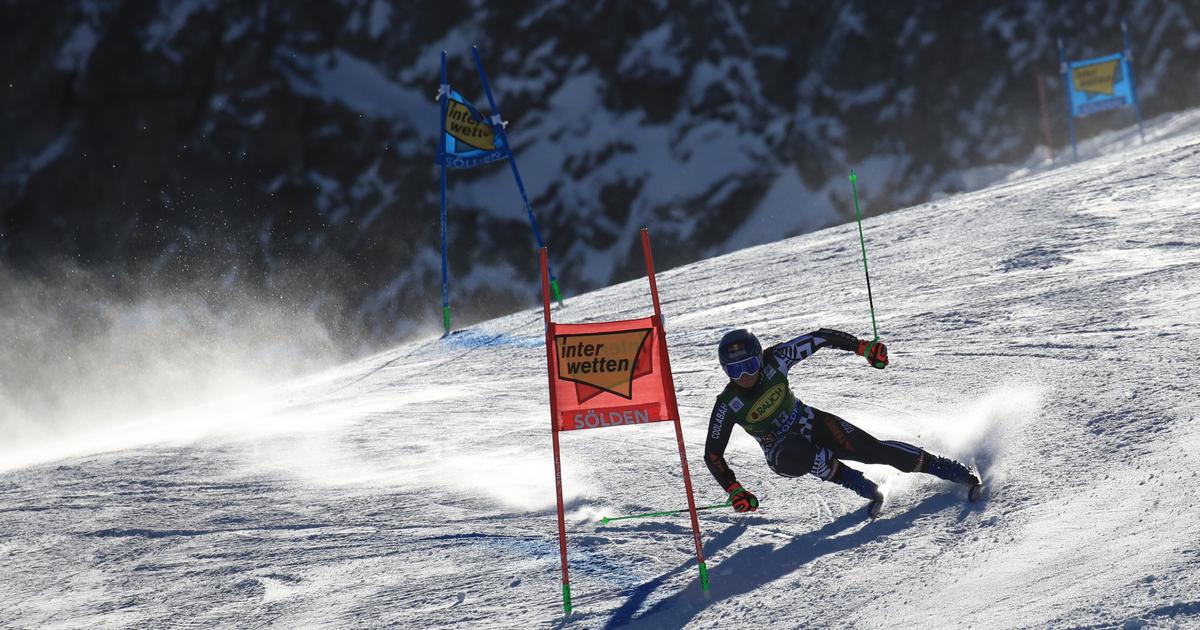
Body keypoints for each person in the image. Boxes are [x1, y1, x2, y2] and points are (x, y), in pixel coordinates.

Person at [704, 328, 982, 518]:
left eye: (749, 366)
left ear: (759, 359)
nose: (744, 377)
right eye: (734, 370)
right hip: (783, 456)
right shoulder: (728, 404)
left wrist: (862, 347)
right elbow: (712, 454)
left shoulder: (776, 359)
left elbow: (820, 338)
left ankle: (944, 468)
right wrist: (734, 489)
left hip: (809, 422)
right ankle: (851, 480)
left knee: (874, 450)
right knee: (794, 447)